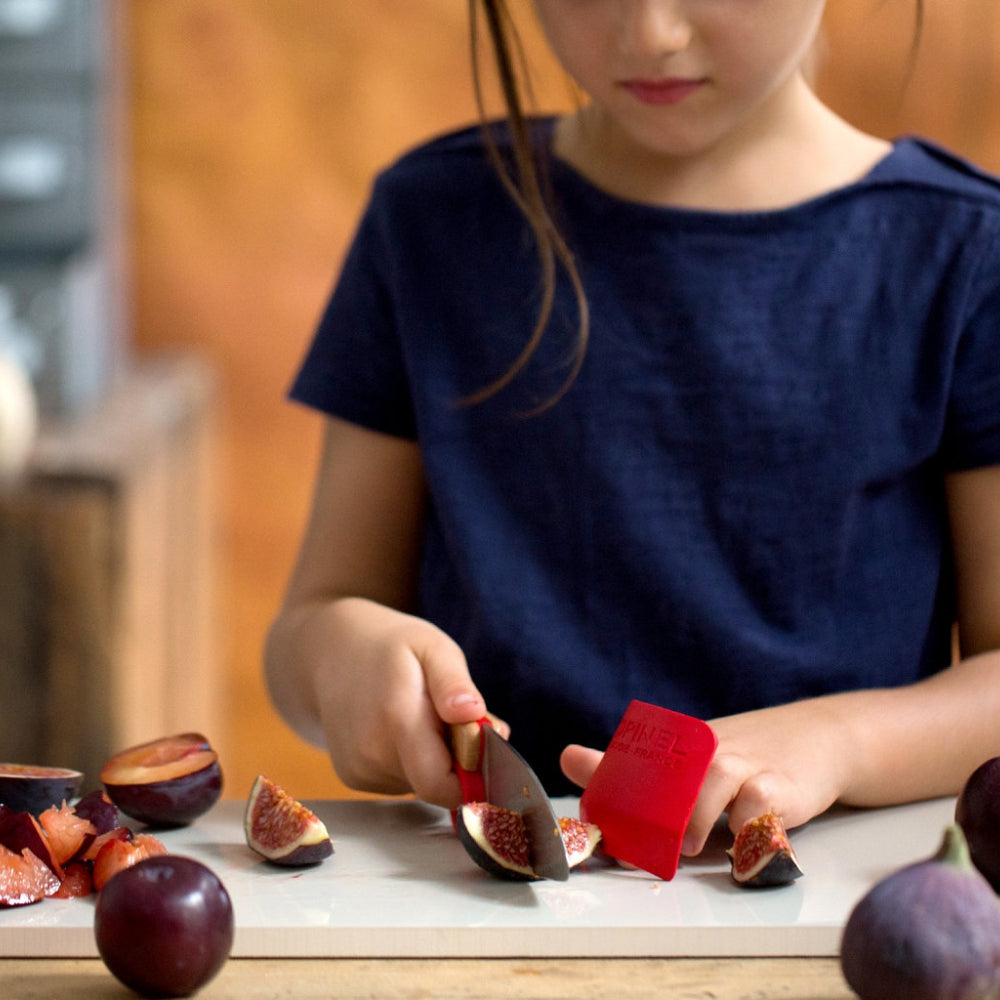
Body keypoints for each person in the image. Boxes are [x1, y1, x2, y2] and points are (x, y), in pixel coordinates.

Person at [264, 0, 1000, 859]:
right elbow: (305, 630)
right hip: (482, 899)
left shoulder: (966, 252)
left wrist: (836, 741)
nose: (651, 33)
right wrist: (339, 659)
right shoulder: (426, 220)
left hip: (839, 899)